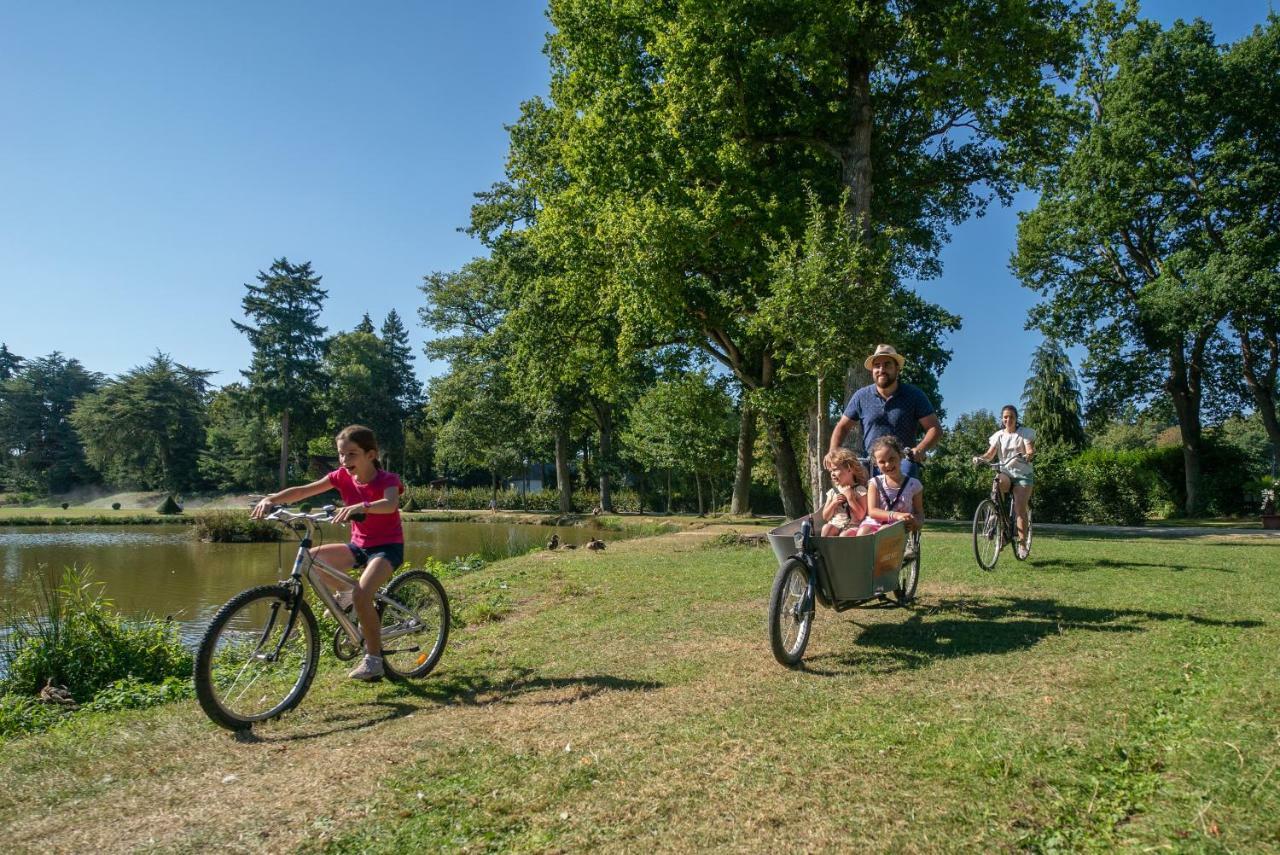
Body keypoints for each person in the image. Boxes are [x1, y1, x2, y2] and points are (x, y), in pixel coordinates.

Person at [251, 424, 405, 681]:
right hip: (359, 546)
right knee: (312, 558)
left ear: (371, 455)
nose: (344, 460)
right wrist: (273, 499)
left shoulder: (388, 480)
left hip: (387, 548)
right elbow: (303, 491)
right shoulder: (340, 477)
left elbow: (390, 505)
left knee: (363, 594)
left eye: (352, 454)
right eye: (341, 454)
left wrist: (362, 506)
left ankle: (374, 660)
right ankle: (344, 593)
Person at [829, 344, 942, 481]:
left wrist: (920, 449)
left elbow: (934, 428)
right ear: (872, 370)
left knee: (903, 496)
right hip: (871, 465)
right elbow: (843, 426)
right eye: (877, 366)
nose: (881, 370)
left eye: (887, 365)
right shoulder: (861, 396)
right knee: (854, 496)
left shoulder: (914, 395)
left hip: (903, 463)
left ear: (897, 369)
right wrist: (833, 452)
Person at [973, 404, 1035, 549]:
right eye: (1005, 417)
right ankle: (996, 515)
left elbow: (1030, 450)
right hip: (1006, 472)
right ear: (1002, 419)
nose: (1008, 420)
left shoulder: (1024, 433)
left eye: (1011, 417)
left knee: (1020, 509)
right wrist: (980, 458)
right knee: (998, 480)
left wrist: (1028, 455)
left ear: (1016, 418)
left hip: (1022, 474)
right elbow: (989, 455)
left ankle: (1022, 543)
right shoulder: (999, 436)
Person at [856, 436, 924, 536]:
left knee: (885, 530)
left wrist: (916, 523)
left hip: (898, 528)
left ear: (900, 456)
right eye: (882, 462)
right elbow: (872, 511)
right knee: (863, 532)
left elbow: (919, 513)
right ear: (876, 464)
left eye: (892, 459)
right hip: (874, 524)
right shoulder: (874, 483)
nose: (887, 464)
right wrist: (896, 515)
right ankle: (862, 551)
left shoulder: (914, 485)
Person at [819, 448, 869, 537]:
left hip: (853, 526)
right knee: (826, 528)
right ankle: (825, 550)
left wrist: (850, 498)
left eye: (835, 470)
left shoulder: (859, 490)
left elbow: (861, 516)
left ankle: (842, 550)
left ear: (850, 469)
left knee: (844, 535)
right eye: (831, 471)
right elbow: (825, 517)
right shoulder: (832, 492)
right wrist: (833, 503)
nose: (832, 474)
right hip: (835, 525)